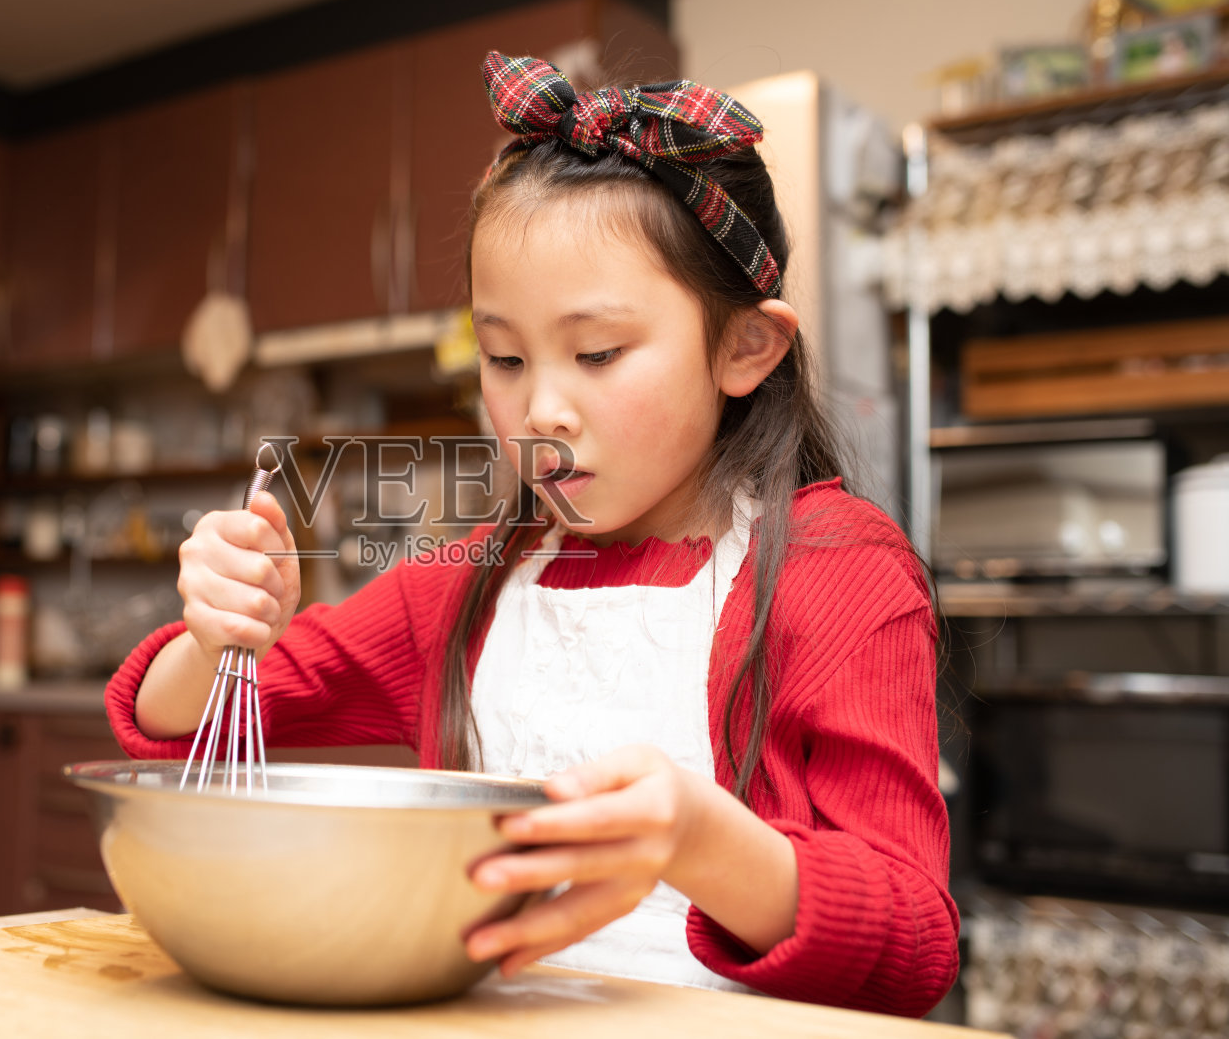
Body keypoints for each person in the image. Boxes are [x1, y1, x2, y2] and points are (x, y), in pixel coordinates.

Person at [105, 52, 958, 1018]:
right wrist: (217, 636)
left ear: (743, 347)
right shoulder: (471, 582)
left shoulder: (837, 572)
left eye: (597, 353)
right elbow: (188, 730)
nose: (540, 407)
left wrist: (701, 841)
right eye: (504, 356)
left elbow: (913, 943)